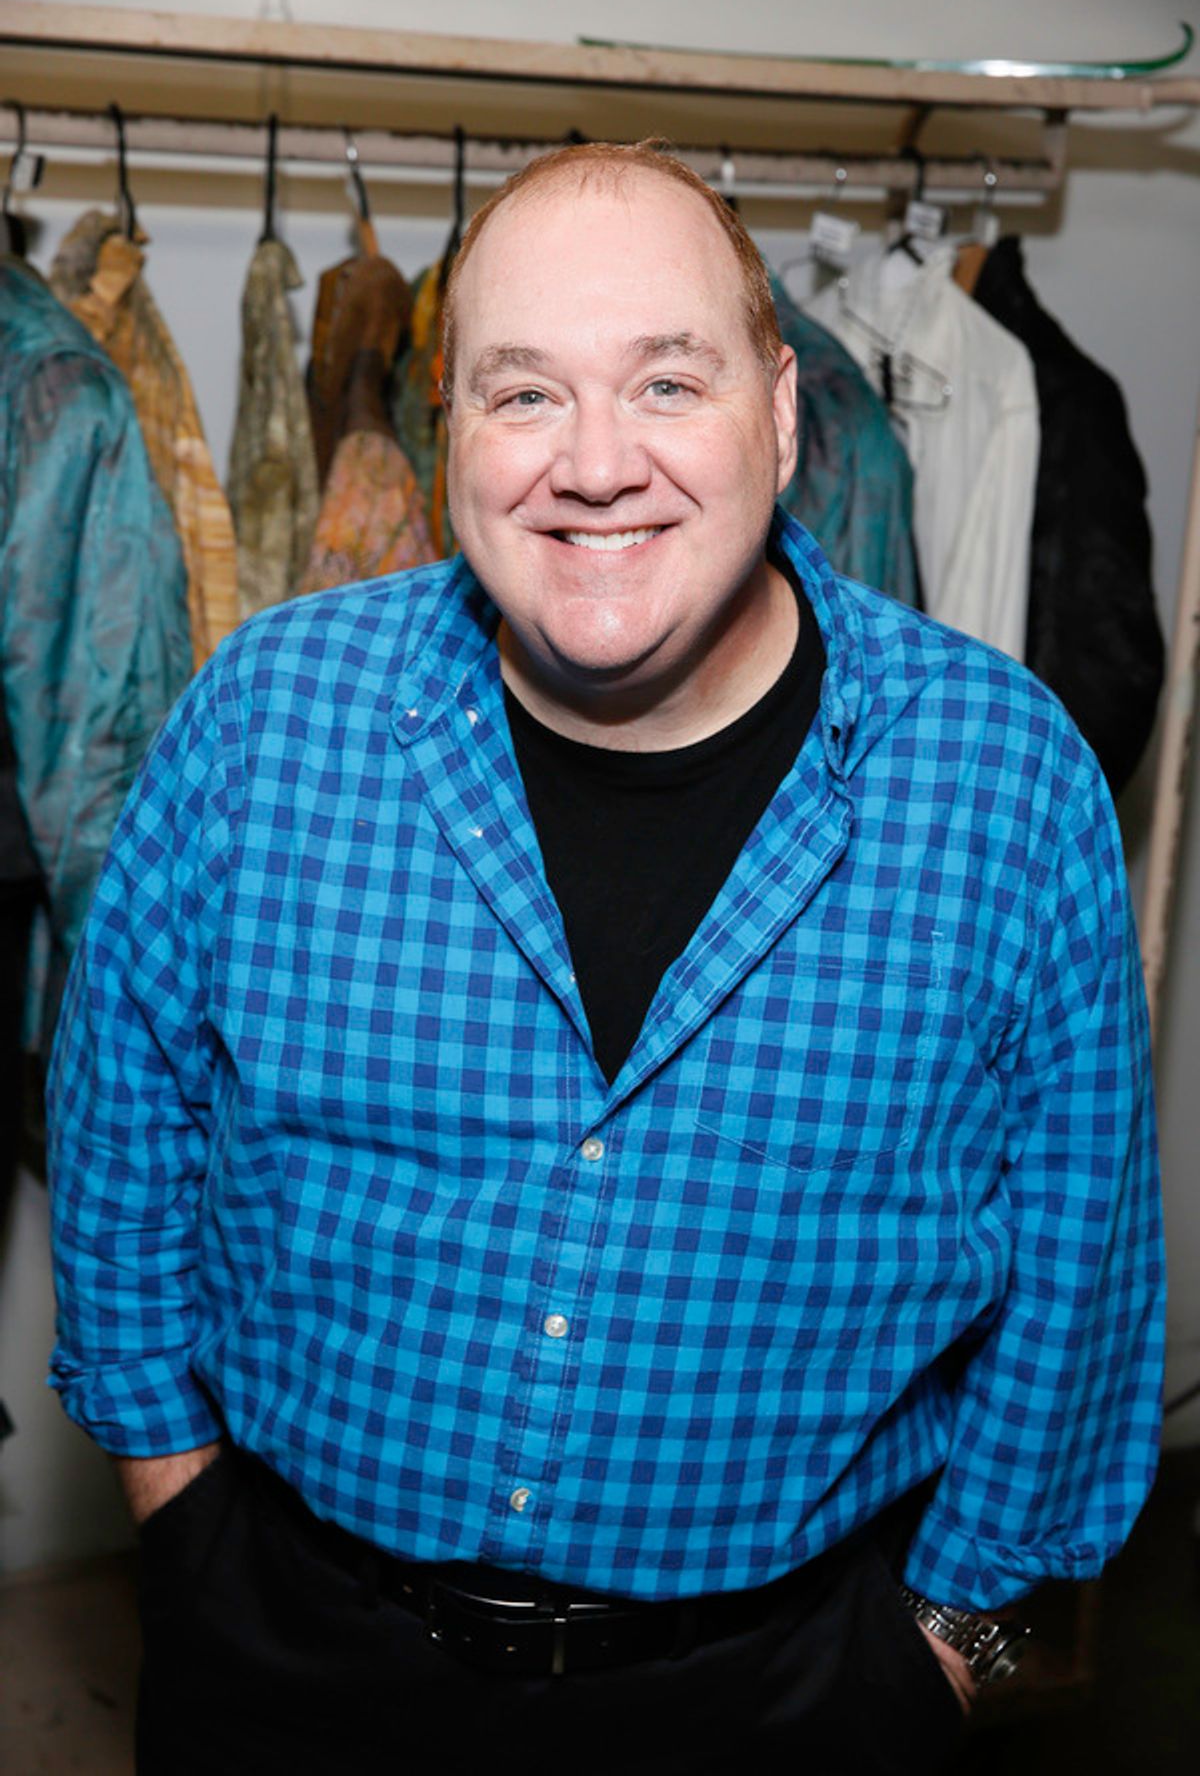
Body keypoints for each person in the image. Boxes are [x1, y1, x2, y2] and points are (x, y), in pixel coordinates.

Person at [47, 142, 1164, 1776]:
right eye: (523, 394)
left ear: (783, 414)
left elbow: (1083, 1300)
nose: (594, 463)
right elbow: (118, 1128)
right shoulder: (269, 720)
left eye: (665, 381)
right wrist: (176, 1515)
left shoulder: (1004, 785)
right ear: (452, 430)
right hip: (289, 1659)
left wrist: (944, 1664)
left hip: (783, 1698)